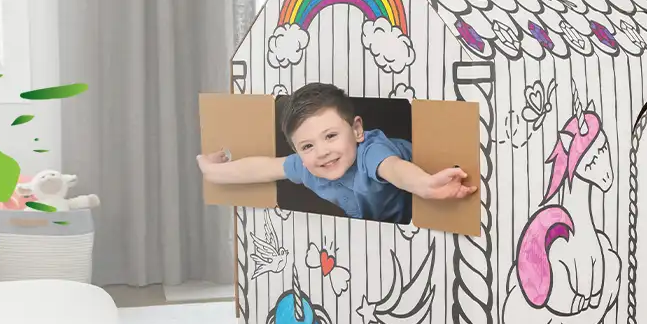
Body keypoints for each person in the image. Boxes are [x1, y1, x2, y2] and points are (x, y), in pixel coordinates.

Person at [196, 83, 476, 223]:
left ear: (356, 130)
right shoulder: (309, 167)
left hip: (420, 206)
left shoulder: (370, 151)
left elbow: (393, 169)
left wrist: (426, 185)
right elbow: (263, 168)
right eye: (307, 146)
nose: (322, 152)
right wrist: (213, 171)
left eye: (330, 136)